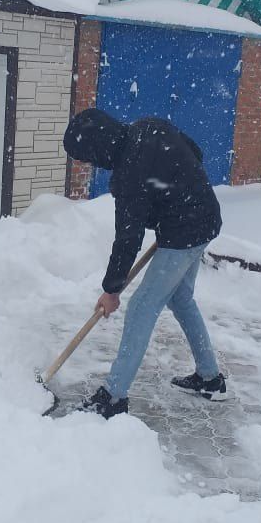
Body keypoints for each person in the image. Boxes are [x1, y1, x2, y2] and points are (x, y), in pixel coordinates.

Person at [63, 107, 227, 419]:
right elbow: (195, 152)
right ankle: (210, 379)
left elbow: (128, 238)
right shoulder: (148, 126)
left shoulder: (129, 174)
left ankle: (113, 396)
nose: (92, 165)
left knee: (141, 306)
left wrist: (111, 291)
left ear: (98, 148)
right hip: (205, 218)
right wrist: (178, 198)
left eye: (87, 157)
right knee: (180, 298)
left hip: (185, 233)